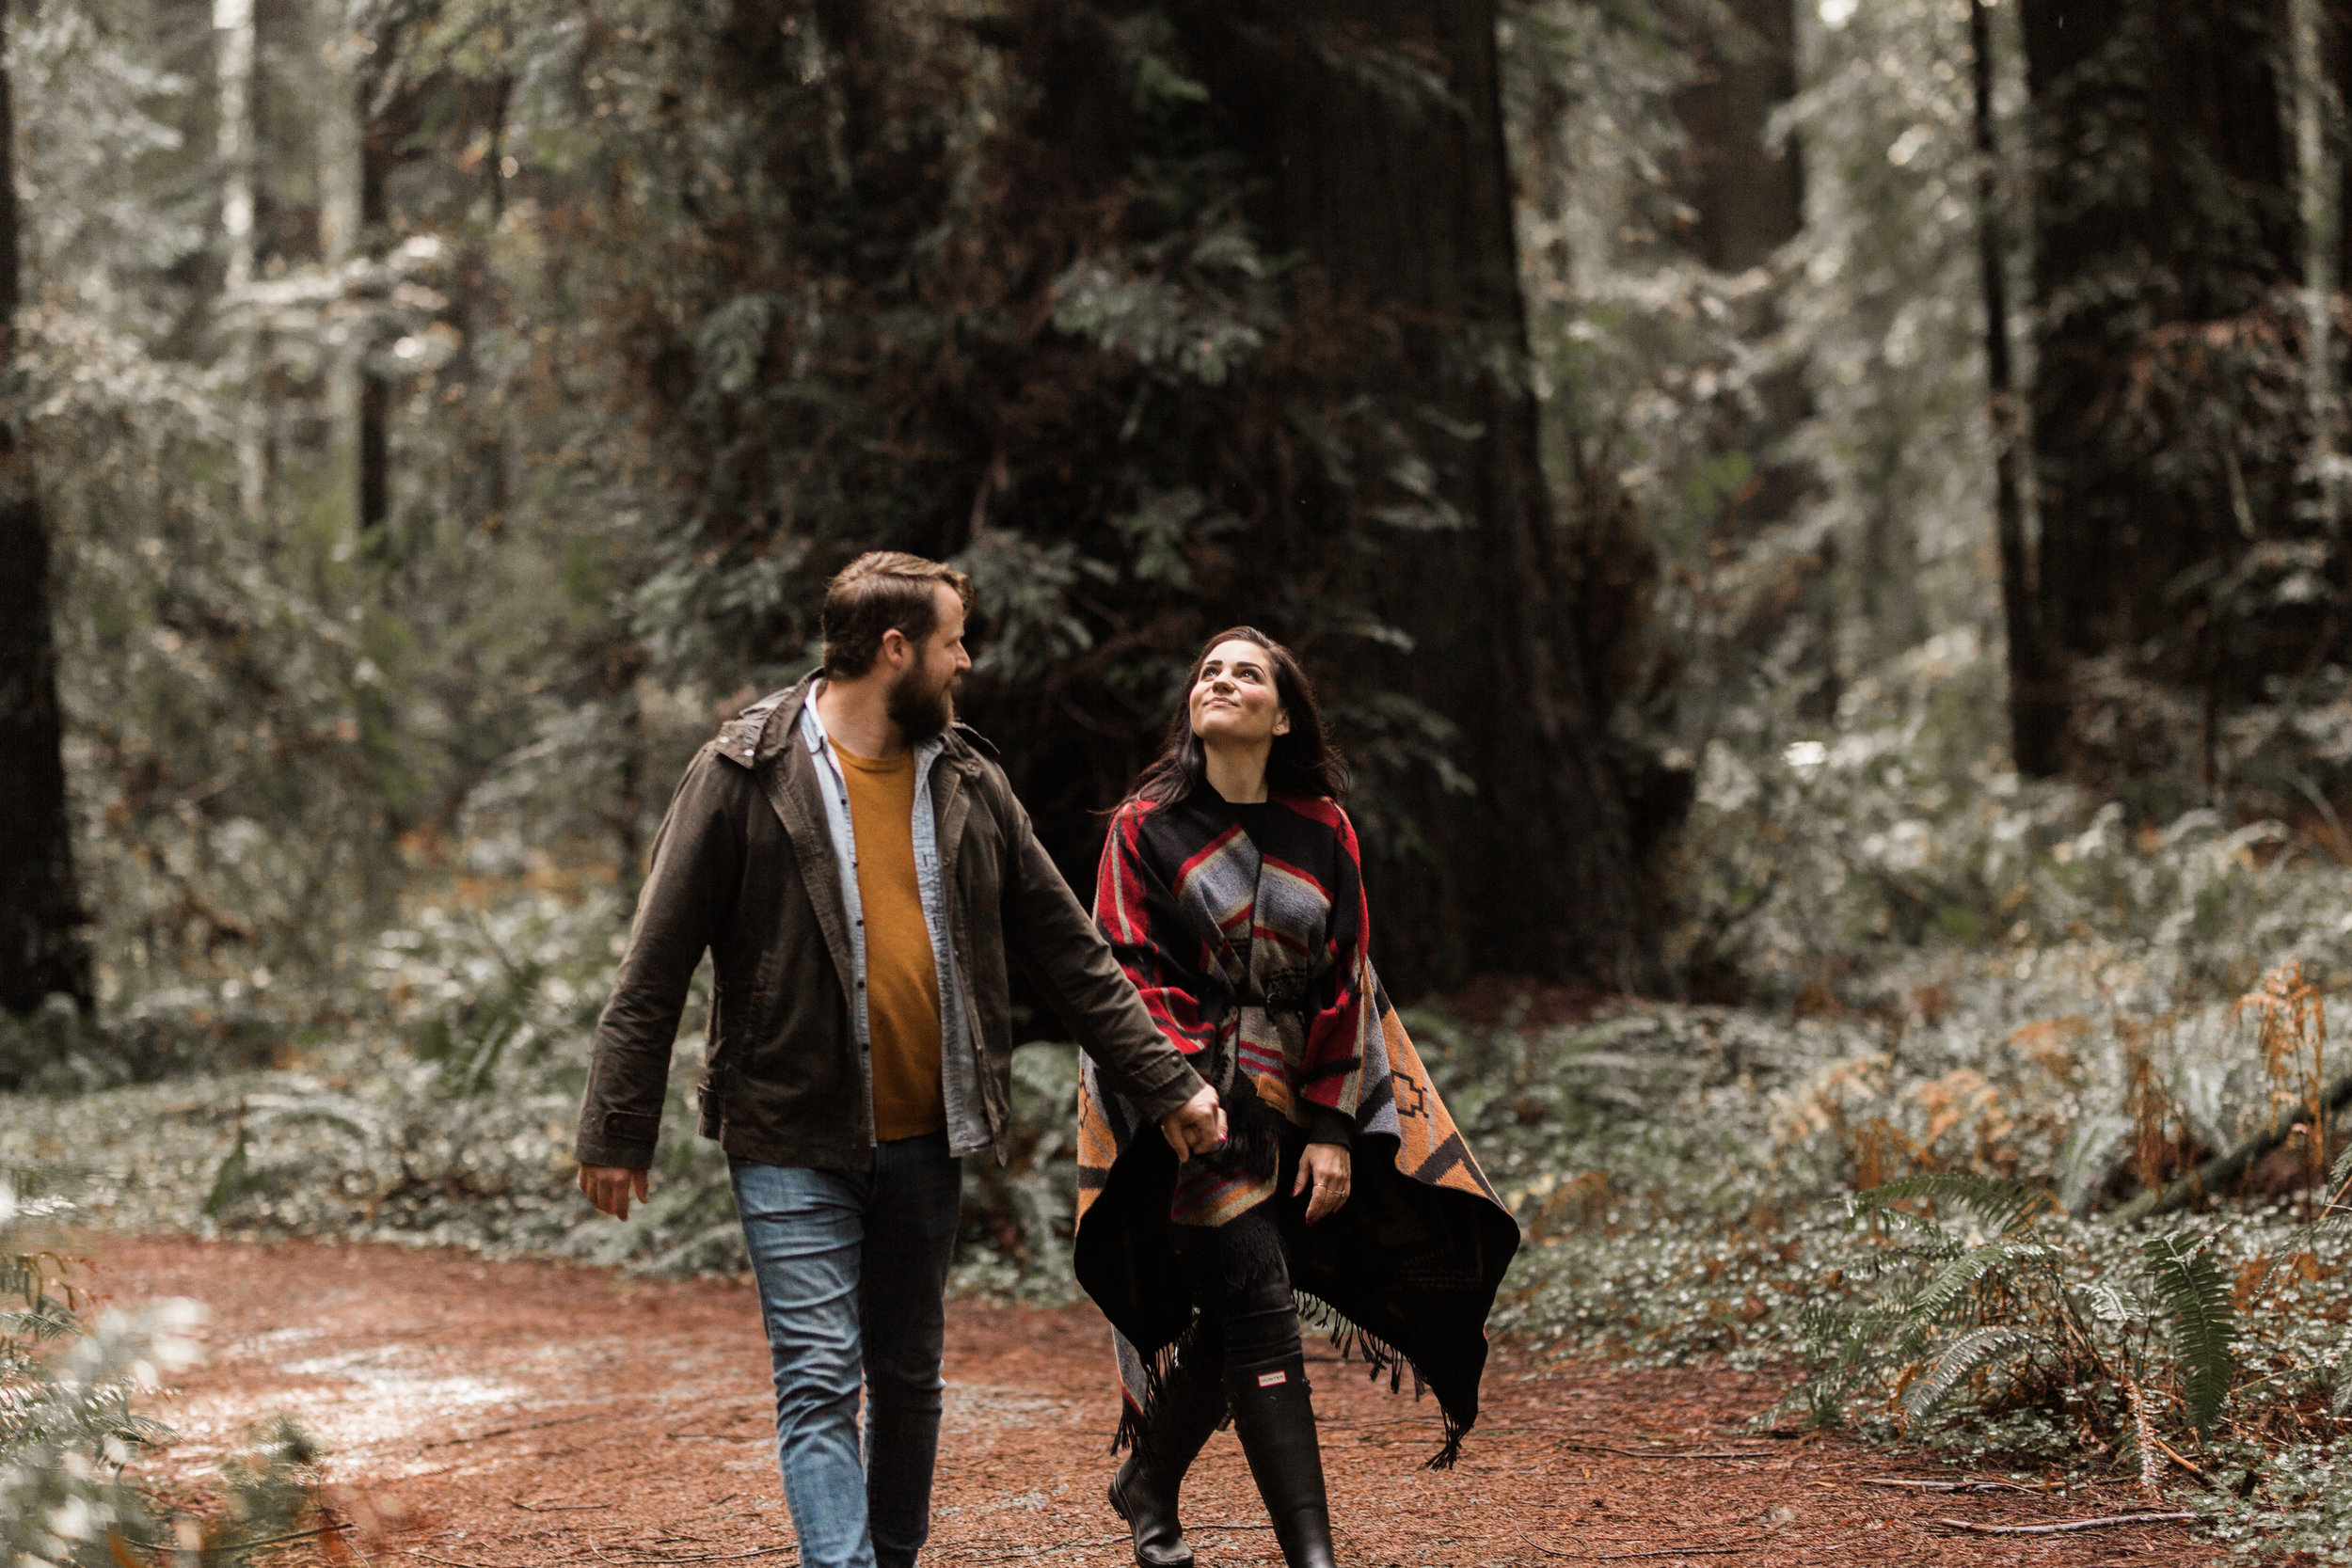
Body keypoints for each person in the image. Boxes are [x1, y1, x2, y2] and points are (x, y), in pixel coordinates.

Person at [574, 551, 1227, 1568]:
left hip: (931, 1129)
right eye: (951, 639)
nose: (964, 659)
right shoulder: (740, 773)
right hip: (789, 1128)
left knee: (909, 1376)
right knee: (821, 1375)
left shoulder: (966, 777)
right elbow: (653, 965)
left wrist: (1168, 1080)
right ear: (894, 649)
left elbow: (1069, 951)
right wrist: (617, 1126)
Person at [1073, 627, 1522, 1568]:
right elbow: (1128, 971)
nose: (1222, 680)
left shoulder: (1325, 826)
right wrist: (1189, 1089)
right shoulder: (1143, 823)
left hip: (1294, 1093)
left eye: (1247, 672)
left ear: (1282, 715)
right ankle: (1311, 1556)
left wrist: (1327, 1123)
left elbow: (1344, 978)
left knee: (1235, 1305)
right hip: (1178, 1101)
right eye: (1208, 669)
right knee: (1260, 1291)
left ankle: (1148, 1480)